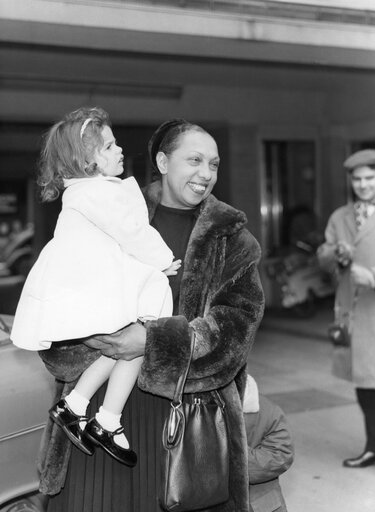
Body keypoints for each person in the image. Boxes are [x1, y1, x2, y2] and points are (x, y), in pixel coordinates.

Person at [36, 118, 265, 512]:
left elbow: (234, 332)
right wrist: (87, 334)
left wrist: (152, 341)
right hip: (95, 418)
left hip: (184, 419)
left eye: (214, 164)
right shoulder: (106, 210)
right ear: (162, 160)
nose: (205, 173)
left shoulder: (232, 238)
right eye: (194, 160)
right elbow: (58, 299)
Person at [11, 107, 180, 467]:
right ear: (87, 161)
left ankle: (80, 407)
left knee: (122, 345)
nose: (119, 150)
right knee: (135, 338)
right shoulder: (96, 193)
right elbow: (131, 232)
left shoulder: (85, 192)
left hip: (93, 283)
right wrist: (162, 260)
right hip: (93, 287)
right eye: (109, 147)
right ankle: (104, 419)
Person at [317, 148, 375, 487]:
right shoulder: (340, 216)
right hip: (352, 314)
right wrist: (335, 253)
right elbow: (323, 256)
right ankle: (374, 448)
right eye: (357, 179)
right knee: (364, 388)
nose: (362, 185)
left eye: (369, 178)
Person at [244, 374, 294, 512]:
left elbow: (281, 455)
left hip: (258, 504)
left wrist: (233, 457)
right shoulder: (188, 409)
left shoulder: (266, 410)